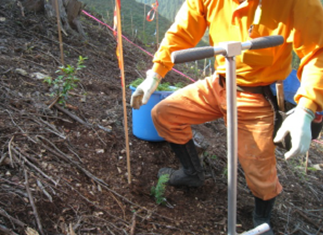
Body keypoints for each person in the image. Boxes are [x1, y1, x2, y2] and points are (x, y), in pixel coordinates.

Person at [130, 0, 323, 234]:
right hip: (219, 83)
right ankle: (192, 173)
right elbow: (182, 31)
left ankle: (262, 219)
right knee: (165, 113)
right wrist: (156, 72)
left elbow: (317, 52)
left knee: (259, 172)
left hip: (256, 95)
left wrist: (307, 108)